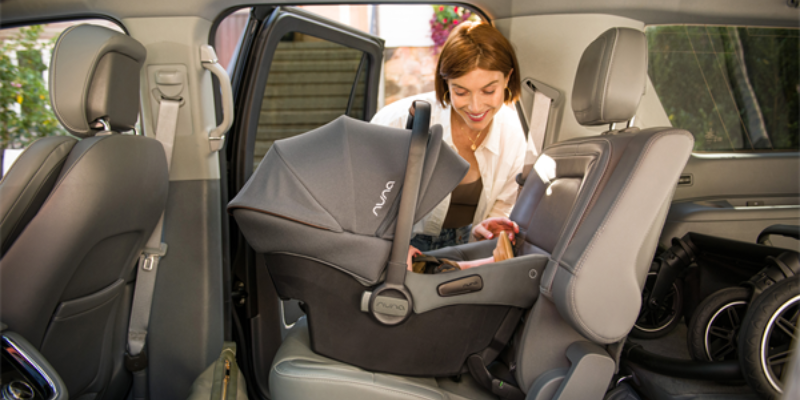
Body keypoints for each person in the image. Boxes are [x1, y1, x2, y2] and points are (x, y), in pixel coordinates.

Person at [372, 21, 526, 251]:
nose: (475, 107)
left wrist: (486, 231)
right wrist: (388, 247)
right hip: (396, 242)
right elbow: (367, 202)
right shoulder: (395, 121)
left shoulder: (515, 134)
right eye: (461, 92)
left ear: (508, 78)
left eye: (489, 91)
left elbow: (504, 205)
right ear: (446, 83)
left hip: (467, 243)